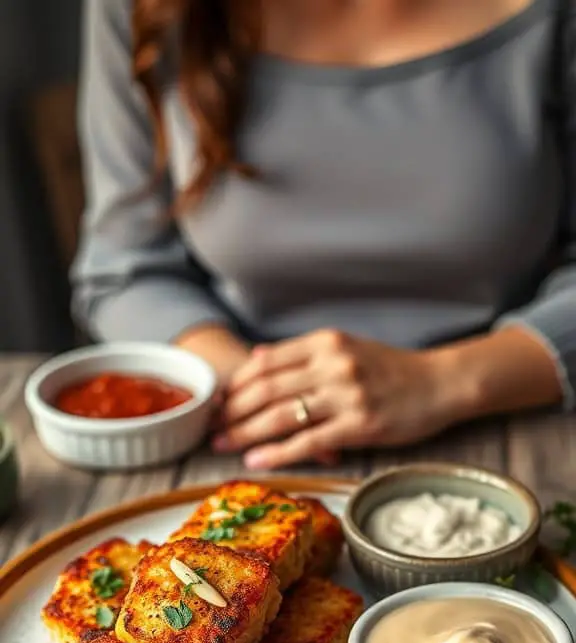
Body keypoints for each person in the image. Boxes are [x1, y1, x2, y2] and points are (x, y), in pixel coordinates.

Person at [73, 0, 575, 470]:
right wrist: (262, 385)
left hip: (514, 428)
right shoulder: (142, 9)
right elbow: (123, 266)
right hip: (243, 438)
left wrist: (448, 381)